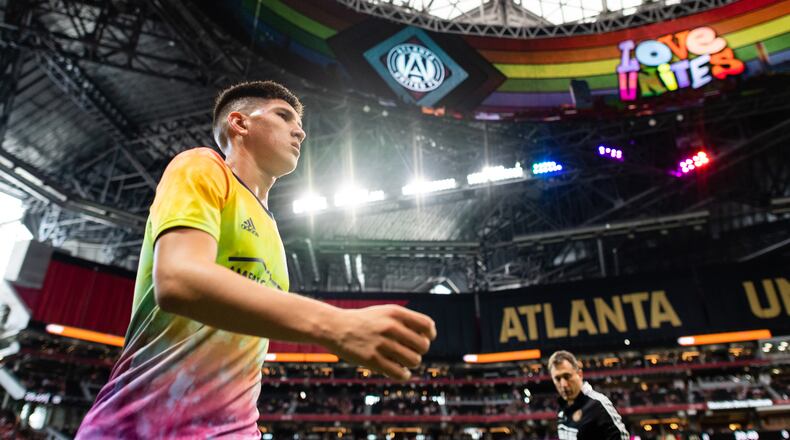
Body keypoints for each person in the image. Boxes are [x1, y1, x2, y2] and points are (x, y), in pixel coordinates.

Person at [76, 81, 436, 438]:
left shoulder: (273, 230)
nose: (301, 131)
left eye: (298, 122)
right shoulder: (201, 166)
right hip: (140, 429)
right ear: (240, 123)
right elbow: (178, 280)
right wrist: (335, 324)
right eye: (284, 116)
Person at [548, 350, 629, 440]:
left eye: (567, 376)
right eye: (557, 379)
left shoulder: (598, 403)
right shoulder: (562, 408)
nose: (563, 384)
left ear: (580, 374)